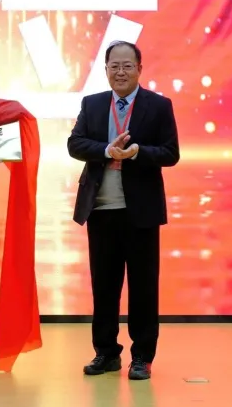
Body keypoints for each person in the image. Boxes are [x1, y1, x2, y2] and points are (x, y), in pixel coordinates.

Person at [67, 40, 180, 380]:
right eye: (114, 66)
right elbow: (75, 144)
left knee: (143, 288)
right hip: (101, 208)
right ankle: (106, 353)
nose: (120, 72)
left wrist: (137, 152)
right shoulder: (92, 104)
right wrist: (107, 150)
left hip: (141, 211)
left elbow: (170, 153)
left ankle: (142, 357)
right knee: (104, 286)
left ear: (139, 69)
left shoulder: (158, 106)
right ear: (105, 70)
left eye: (127, 65)